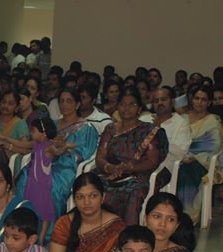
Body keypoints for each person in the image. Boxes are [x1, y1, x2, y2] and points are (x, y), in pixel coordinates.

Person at [17, 88, 100, 219]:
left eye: (69, 101)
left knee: (51, 185)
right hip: (45, 161)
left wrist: (64, 148)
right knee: (25, 176)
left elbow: (84, 154)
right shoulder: (51, 125)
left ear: (77, 104)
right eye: (62, 101)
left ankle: (48, 227)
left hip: (66, 167)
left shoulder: (86, 128)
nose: (64, 104)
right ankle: (24, 221)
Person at [94, 87, 169, 225]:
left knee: (133, 192)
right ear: (117, 107)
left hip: (136, 176)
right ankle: (94, 232)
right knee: (90, 186)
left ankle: (128, 234)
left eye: (132, 104)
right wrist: (110, 168)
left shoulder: (149, 130)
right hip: (109, 174)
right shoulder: (110, 129)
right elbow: (99, 158)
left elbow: (152, 161)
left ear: (139, 108)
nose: (126, 108)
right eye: (122, 104)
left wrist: (129, 167)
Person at [177, 85, 223, 223]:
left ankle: (186, 216)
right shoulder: (182, 118)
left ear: (209, 103)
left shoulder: (213, 121)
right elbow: (174, 140)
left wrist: (193, 156)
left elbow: (214, 146)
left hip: (202, 162)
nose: (199, 102)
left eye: (204, 100)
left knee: (184, 171)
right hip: (177, 158)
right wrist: (180, 154)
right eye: (197, 98)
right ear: (192, 99)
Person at [23, 117, 60, 244]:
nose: (31, 133)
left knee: (44, 213)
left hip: (42, 185)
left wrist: (66, 146)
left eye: (33, 131)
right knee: (31, 209)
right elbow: (22, 145)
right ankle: (30, 237)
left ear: (43, 133)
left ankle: (41, 239)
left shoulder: (49, 146)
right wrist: (5, 139)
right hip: (32, 183)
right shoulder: (35, 145)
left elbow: (58, 152)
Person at [140, 86, 191, 173]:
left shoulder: (181, 123)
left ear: (172, 101)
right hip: (137, 165)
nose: (160, 103)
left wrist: (159, 134)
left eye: (164, 99)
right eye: (156, 101)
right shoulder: (144, 119)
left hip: (163, 169)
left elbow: (180, 152)